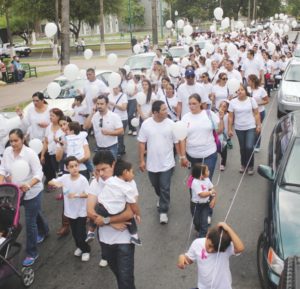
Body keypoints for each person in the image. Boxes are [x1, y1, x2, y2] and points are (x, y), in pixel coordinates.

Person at [0, 129, 49, 267]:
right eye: (11, 141)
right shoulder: (8, 152)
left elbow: (39, 174)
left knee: (30, 221)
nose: (13, 143)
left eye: (16, 140)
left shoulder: (30, 154)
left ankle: (32, 253)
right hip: (15, 191)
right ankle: (45, 230)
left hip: (32, 191)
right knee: (34, 213)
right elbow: (3, 169)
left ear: (22, 139)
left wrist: (29, 184)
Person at [87, 150, 136, 286]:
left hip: (125, 238)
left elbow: (130, 213)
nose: (101, 174)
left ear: (113, 164)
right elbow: (90, 211)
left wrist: (105, 220)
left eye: (104, 169)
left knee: (125, 279)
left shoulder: (127, 181)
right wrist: (110, 223)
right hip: (105, 240)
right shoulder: (95, 183)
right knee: (119, 276)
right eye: (98, 170)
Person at [138, 100, 179, 224]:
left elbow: (177, 142)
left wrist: (182, 157)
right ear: (155, 112)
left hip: (167, 163)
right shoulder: (146, 124)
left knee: (165, 187)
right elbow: (141, 143)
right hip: (152, 164)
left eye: (166, 109)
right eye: (164, 110)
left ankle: (163, 211)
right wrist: (141, 160)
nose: (166, 111)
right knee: (156, 186)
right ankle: (161, 198)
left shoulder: (171, 124)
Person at [177, 222, 245, 289]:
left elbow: (240, 248)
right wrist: (182, 258)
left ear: (223, 250)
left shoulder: (225, 248)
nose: (210, 250)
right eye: (210, 245)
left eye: (215, 250)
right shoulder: (197, 244)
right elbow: (189, 260)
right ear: (207, 235)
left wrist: (228, 229)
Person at [48, 156, 91, 262]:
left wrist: (76, 195)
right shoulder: (65, 178)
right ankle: (80, 247)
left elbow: (87, 194)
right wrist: (57, 183)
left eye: (76, 165)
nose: (75, 168)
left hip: (81, 211)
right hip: (70, 211)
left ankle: (86, 250)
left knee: (81, 234)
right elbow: (50, 182)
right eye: (71, 166)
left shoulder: (83, 180)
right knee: (75, 233)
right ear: (67, 168)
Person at [94, 160, 142, 246]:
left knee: (95, 215)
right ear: (125, 172)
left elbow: (102, 183)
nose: (133, 174)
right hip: (115, 211)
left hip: (101, 208)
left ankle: (90, 231)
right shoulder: (127, 188)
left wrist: (106, 221)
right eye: (131, 172)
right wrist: (137, 214)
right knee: (130, 219)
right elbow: (133, 205)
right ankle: (134, 236)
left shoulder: (110, 180)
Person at [180, 94, 224, 180]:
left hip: (209, 153)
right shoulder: (185, 118)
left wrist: (221, 119)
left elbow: (220, 130)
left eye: (194, 103)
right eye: (189, 104)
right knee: (195, 181)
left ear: (200, 103)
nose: (191, 106)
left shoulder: (209, 114)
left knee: (206, 180)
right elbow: (182, 138)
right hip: (192, 156)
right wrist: (183, 156)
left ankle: (208, 193)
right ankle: (196, 194)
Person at [228, 85, 261, 175]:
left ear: (246, 91)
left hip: (250, 126)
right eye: (238, 90)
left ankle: (250, 166)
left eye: (242, 89)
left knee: (249, 147)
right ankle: (243, 164)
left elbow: (257, 113)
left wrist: (258, 125)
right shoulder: (233, 102)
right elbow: (230, 117)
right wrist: (229, 129)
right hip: (239, 128)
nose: (240, 91)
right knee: (242, 148)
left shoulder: (251, 100)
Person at [84, 95, 124, 160]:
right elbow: (86, 126)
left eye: (102, 104)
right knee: (101, 168)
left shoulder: (114, 116)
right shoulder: (94, 116)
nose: (99, 106)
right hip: (99, 147)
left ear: (107, 104)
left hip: (111, 147)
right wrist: (91, 114)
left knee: (111, 168)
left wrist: (109, 133)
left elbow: (121, 131)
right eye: (98, 104)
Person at [189, 163, 216, 237]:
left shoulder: (207, 179)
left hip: (205, 205)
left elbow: (212, 189)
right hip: (196, 205)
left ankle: (202, 238)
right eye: (207, 171)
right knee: (197, 222)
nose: (209, 171)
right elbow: (202, 195)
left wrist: (213, 199)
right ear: (201, 175)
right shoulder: (195, 182)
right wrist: (210, 192)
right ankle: (198, 229)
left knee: (204, 223)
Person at [41, 108, 64, 186]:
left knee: (63, 173)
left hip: (62, 155)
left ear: (58, 117)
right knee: (57, 172)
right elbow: (46, 142)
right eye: (50, 116)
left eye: (52, 116)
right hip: (52, 154)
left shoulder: (63, 127)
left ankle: (65, 192)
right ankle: (61, 190)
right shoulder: (48, 127)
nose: (50, 117)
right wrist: (42, 155)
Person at [247, 74, 269, 152]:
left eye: (248, 80)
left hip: (259, 112)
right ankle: (250, 143)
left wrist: (257, 104)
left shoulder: (261, 90)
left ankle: (257, 145)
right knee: (250, 128)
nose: (247, 82)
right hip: (249, 113)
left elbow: (267, 101)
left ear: (253, 81)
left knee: (257, 128)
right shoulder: (247, 89)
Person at [108, 85, 128, 158]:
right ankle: (119, 149)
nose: (115, 90)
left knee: (120, 135)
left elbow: (124, 108)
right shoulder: (109, 96)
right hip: (112, 118)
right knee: (115, 136)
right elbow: (108, 107)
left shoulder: (123, 95)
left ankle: (120, 151)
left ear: (119, 88)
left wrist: (114, 104)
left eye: (116, 88)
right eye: (114, 88)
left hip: (122, 118)